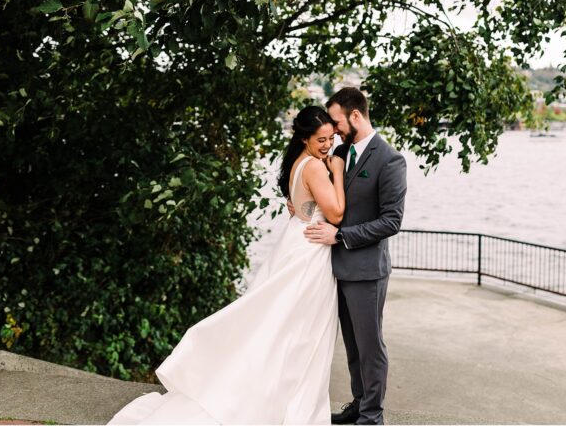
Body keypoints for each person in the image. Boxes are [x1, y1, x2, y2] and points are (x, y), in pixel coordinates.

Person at [107, 106, 345, 425]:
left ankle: (273, 400)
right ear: (304, 138)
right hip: (308, 256)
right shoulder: (316, 166)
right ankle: (284, 407)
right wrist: (338, 171)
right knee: (300, 333)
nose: (327, 144)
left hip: (296, 245)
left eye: (331, 138)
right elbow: (337, 214)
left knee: (280, 330)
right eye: (321, 139)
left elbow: (302, 206)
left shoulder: (298, 162)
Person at [304, 87, 407, 425]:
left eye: (336, 121)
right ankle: (359, 404)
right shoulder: (338, 153)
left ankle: (372, 417)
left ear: (356, 116)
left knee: (370, 346)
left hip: (366, 270)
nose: (332, 130)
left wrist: (342, 236)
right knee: (352, 346)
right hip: (337, 268)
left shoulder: (389, 159)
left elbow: (391, 221)